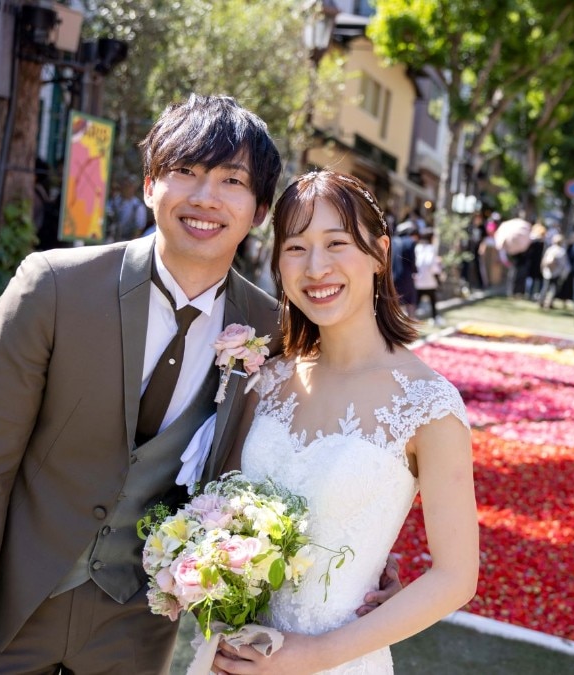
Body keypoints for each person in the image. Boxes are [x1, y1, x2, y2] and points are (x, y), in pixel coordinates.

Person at [0, 95, 397, 674]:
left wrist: (366, 555)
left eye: (232, 180)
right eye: (186, 171)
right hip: (14, 609)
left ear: (259, 210)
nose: (205, 198)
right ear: (151, 183)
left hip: (136, 631)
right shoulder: (54, 288)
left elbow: (299, 454)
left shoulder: (274, 332)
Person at [213, 171, 478, 675]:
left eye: (337, 243)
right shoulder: (266, 378)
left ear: (379, 253)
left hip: (338, 662)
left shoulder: (429, 405)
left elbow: (456, 577)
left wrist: (314, 656)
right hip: (235, 659)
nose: (316, 267)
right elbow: (219, 507)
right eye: (296, 248)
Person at [414, 229, 444, 325]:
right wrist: (439, 273)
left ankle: (412, 318)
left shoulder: (417, 247)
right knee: (432, 301)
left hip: (418, 280)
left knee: (416, 302)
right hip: (429, 280)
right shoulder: (431, 249)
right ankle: (434, 318)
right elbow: (432, 265)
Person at [108, 176, 149, 241]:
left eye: (129, 186)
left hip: (126, 240)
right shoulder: (114, 201)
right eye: (125, 185)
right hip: (111, 237)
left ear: (134, 188)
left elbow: (139, 228)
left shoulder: (138, 206)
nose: (126, 188)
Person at [538, 233, 571, 310]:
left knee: (545, 287)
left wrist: (542, 269)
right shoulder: (562, 251)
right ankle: (549, 303)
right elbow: (564, 265)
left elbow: (544, 260)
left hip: (547, 272)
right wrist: (564, 274)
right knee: (553, 289)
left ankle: (541, 301)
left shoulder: (550, 249)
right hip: (556, 273)